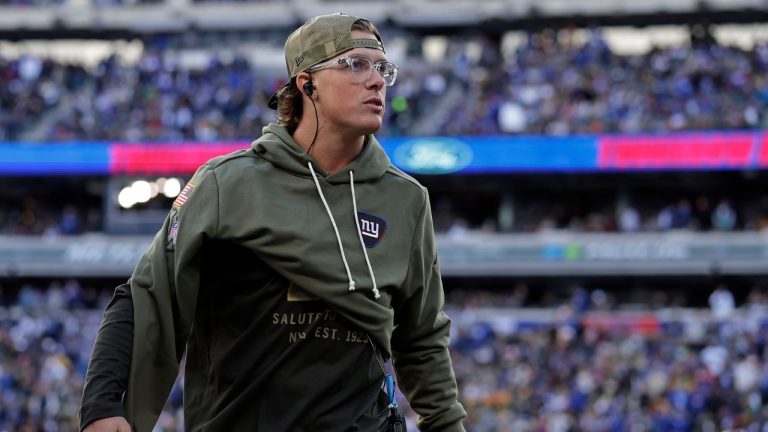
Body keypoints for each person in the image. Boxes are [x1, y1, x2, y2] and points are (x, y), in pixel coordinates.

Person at [80, 13, 467, 432]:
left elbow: (422, 339)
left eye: (382, 68)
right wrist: (103, 405)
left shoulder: (405, 199)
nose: (375, 80)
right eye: (355, 64)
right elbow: (147, 297)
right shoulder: (227, 183)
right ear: (307, 84)